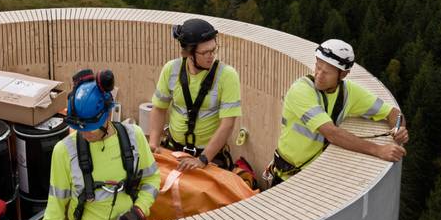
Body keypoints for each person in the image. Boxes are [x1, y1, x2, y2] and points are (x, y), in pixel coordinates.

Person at [269, 39, 409, 185]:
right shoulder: (301, 90)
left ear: (343, 75)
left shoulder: (349, 92)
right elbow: (332, 134)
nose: (319, 75)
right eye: (318, 67)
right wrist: (378, 150)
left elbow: (394, 113)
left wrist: (399, 128)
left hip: (315, 174)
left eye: (327, 72)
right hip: (287, 176)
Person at [43, 69, 160, 220]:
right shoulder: (64, 151)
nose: (85, 134)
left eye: (91, 127)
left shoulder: (134, 136)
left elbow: (152, 178)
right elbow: (55, 209)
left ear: (109, 113)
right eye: (79, 128)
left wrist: (137, 213)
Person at [148, 18, 241, 171]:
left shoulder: (227, 76)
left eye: (214, 50)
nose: (211, 56)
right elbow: (159, 108)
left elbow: (227, 124)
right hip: (173, 150)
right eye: (205, 52)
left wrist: (203, 159)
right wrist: (154, 142)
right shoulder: (171, 70)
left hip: (209, 157)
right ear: (188, 53)